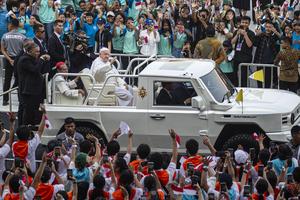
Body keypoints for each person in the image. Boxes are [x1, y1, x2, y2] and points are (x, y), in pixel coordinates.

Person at [17, 42, 50, 125]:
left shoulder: (33, 58)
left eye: (39, 51)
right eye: (36, 51)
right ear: (29, 51)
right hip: (28, 91)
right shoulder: (24, 59)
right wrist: (42, 59)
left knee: (33, 111)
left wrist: (44, 61)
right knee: (28, 112)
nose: (38, 53)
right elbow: (35, 70)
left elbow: (41, 69)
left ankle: (30, 127)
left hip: (34, 91)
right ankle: (24, 128)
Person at [12, 104, 46, 172]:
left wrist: (12, 123)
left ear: (17, 136)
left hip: (17, 171)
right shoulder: (31, 145)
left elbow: (11, 137)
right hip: (30, 171)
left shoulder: (14, 145)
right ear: (29, 136)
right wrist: (44, 113)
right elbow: (40, 131)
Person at [1, 18, 26, 106]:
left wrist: (9, 59)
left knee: (7, 80)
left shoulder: (5, 36)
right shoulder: (23, 37)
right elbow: (25, 50)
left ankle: (5, 100)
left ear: (11, 25)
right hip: (19, 60)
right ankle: (20, 99)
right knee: (19, 79)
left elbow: (3, 50)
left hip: (8, 60)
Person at [254, 20, 280, 88]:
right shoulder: (261, 35)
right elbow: (255, 44)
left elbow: (282, 39)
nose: (268, 29)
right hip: (259, 60)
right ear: (264, 27)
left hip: (270, 61)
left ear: (272, 28)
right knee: (259, 79)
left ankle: (267, 91)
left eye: (270, 27)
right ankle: (259, 90)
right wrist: (256, 35)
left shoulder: (274, 36)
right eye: (267, 27)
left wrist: (275, 32)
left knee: (268, 79)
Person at [231, 16, 255, 87]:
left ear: (249, 24)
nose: (244, 24)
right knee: (235, 75)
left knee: (244, 76)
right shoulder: (236, 31)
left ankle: (244, 89)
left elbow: (250, 45)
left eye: (246, 23)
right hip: (236, 57)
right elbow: (232, 42)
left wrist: (245, 35)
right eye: (243, 22)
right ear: (240, 23)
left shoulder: (251, 33)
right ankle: (236, 88)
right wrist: (238, 34)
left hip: (246, 58)